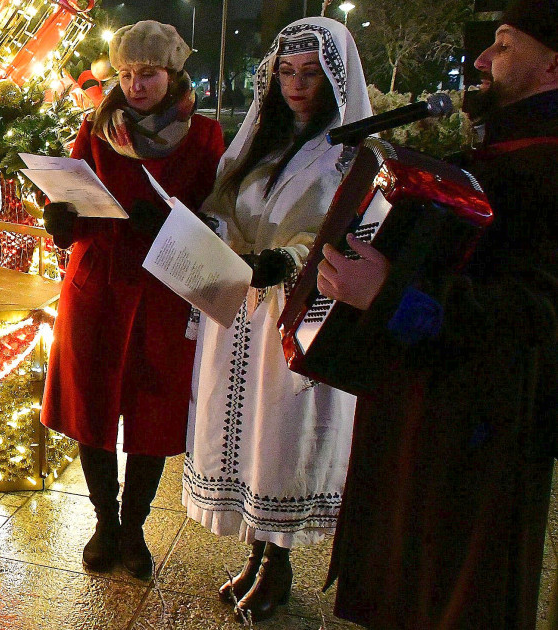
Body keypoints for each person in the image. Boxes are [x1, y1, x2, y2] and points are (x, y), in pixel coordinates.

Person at [320, 1, 558, 627]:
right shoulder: (500, 147)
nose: (482, 61)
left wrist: (389, 295)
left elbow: (537, 318)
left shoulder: (548, 163)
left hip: (480, 436)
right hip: (426, 411)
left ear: (553, 64)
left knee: (451, 597)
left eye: (504, 45)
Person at [180, 17, 371, 622]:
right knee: (242, 436)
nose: (296, 85)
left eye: (311, 74)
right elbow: (224, 206)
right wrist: (211, 236)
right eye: (286, 72)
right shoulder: (260, 139)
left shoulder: (350, 153)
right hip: (239, 311)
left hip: (296, 314)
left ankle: (278, 566)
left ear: (336, 79)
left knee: (280, 438)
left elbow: (345, 228)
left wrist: (281, 260)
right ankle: (256, 555)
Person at [39, 21, 224, 580]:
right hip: (97, 284)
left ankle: (135, 526)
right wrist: (62, 222)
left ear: (173, 73)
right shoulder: (95, 129)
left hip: (164, 290)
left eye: (148, 73)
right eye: (125, 73)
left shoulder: (205, 136)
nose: (136, 84)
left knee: (152, 409)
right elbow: (75, 191)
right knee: (90, 407)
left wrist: (175, 221)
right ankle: (104, 520)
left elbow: (220, 218)